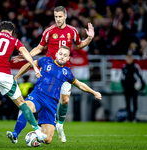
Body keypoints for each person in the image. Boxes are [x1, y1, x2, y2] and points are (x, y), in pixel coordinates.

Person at [13, 6, 95, 143]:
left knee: (65, 101)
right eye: (55, 16)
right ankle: (37, 128)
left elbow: (79, 45)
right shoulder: (49, 31)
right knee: (42, 95)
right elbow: (40, 47)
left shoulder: (73, 31)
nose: (57, 19)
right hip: (49, 69)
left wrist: (89, 38)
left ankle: (60, 126)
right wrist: (27, 55)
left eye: (60, 16)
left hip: (64, 72)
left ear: (65, 16)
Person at [6, 46, 102, 144]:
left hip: (52, 103)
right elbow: (29, 64)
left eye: (65, 55)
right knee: (26, 107)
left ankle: (35, 135)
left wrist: (94, 92)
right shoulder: (45, 60)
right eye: (60, 54)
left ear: (68, 58)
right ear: (56, 54)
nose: (62, 57)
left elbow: (80, 85)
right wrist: (16, 77)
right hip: (38, 95)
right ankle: (15, 135)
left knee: (48, 140)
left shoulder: (67, 72)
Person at [121, 54, 145, 122]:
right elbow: (122, 78)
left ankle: (134, 116)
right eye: (127, 59)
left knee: (135, 103)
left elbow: (140, 77)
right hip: (127, 89)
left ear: (132, 59)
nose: (129, 60)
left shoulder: (135, 67)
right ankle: (129, 117)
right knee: (127, 103)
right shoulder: (124, 67)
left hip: (134, 89)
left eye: (130, 59)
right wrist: (124, 87)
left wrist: (141, 86)